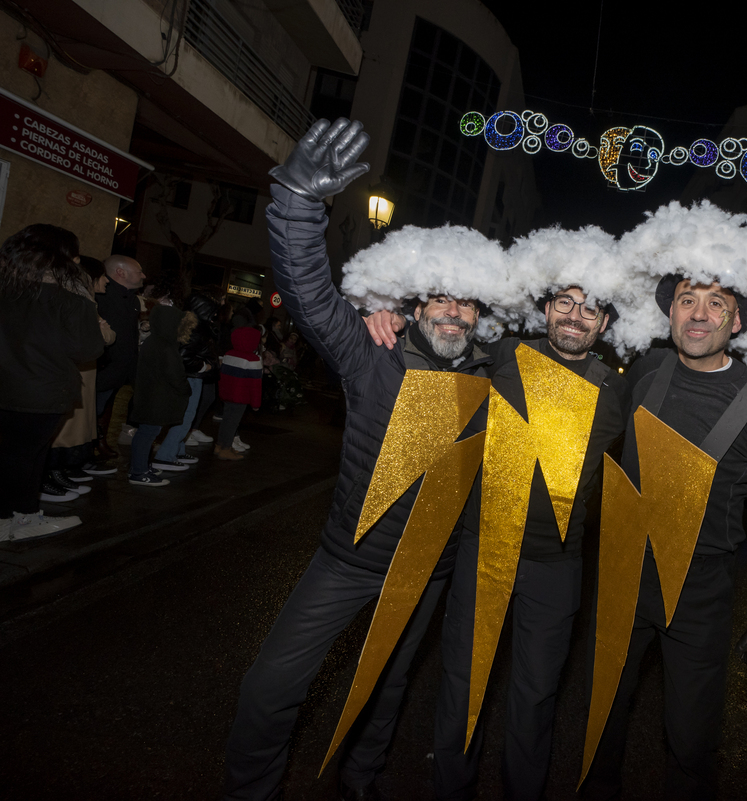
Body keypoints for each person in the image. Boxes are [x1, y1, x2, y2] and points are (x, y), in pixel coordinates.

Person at [222, 118, 497, 801]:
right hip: (347, 560)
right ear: (413, 301)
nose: (454, 312)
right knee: (271, 685)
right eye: (440, 296)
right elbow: (309, 292)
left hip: (428, 570)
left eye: (467, 301)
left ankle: (362, 776)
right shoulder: (369, 350)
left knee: (390, 680)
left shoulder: (499, 381)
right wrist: (296, 199)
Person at [366, 279, 631, 801]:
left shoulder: (616, 388)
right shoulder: (503, 355)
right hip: (482, 550)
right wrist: (391, 316)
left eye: (589, 309)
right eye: (564, 304)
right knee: (463, 686)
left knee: (536, 698)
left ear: (604, 324)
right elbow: (441, 339)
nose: (575, 316)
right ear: (546, 310)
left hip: (558, 568)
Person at [583, 274, 747, 800]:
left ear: (737, 321)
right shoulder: (647, 371)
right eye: (688, 301)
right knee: (602, 715)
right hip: (624, 573)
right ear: (670, 314)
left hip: (700, 590)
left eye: (716, 303)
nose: (699, 314)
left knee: (691, 739)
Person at [0, 225, 106, 540]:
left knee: (16, 454)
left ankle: (24, 514)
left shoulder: (7, 284)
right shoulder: (68, 291)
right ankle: (9, 520)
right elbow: (88, 348)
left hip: (6, 385)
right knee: (26, 457)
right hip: (41, 389)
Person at [45, 255, 116, 493]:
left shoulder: (84, 300)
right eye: (103, 275)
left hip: (82, 372)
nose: (107, 280)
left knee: (72, 424)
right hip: (73, 372)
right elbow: (102, 337)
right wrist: (103, 329)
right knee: (64, 426)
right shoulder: (79, 301)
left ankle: (60, 470)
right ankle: (51, 474)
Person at [126, 304, 194, 486]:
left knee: (147, 433)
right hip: (155, 398)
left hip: (151, 396)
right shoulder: (164, 346)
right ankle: (139, 472)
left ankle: (139, 466)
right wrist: (186, 389)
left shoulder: (155, 341)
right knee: (147, 433)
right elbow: (175, 374)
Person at [155, 289, 220, 467]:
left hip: (190, 377)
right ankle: (166, 455)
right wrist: (203, 366)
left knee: (185, 417)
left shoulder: (189, 325)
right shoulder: (196, 329)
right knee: (184, 418)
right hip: (191, 377)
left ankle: (177, 450)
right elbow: (184, 357)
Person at [94, 254, 145, 459]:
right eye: (138, 271)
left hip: (119, 371)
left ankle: (97, 445)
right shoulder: (102, 297)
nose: (144, 275)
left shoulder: (131, 299)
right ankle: (85, 452)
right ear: (120, 272)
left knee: (104, 410)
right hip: (104, 369)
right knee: (93, 411)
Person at [215, 325, 262, 462]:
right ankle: (226, 449)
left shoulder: (229, 354)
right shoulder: (253, 360)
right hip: (241, 397)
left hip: (227, 395)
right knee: (233, 423)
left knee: (226, 420)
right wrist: (256, 404)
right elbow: (255, 386)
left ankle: (220, 445)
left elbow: (222, 376)